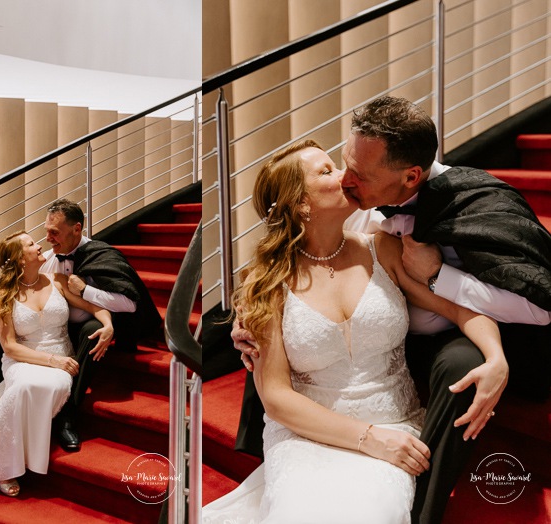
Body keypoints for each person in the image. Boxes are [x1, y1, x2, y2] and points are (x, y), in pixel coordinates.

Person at [232, 96, 551, 523]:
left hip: (410, 378)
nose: (346, 177)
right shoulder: (367, 211)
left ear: (409, 177)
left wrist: (445, 284)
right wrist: (252, 316)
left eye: (353, 172)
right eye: (335, 167)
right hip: (318, 423)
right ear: (302, 204)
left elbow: (534, 306)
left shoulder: (471, 204)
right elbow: (277, 389)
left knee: (462, 366)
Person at [0, 231, 114, 496]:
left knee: (44, 386)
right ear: (20, 259)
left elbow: (95, 307)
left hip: (61, 359)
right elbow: (9, 346)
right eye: (32, 244)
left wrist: (109, 324)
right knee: (22, 387)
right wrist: (53, 360)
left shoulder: (57, 281)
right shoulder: (2, 295)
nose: (39, 245)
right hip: (23, 358)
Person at [0, 198, 162, 452]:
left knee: (93, 330)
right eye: (46, 231)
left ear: (76, 229)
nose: (47, 239)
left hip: (82, 329)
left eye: (54, 232)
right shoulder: (45, 259)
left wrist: (89, 294)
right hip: (46, 331)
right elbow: (18, 292)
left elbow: (130, 304)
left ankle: (67, 414)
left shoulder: (102, 254)